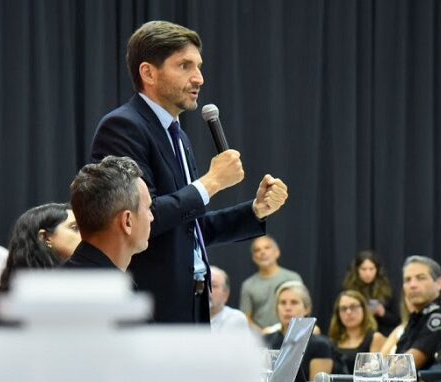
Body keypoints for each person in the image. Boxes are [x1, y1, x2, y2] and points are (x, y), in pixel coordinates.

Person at [90, 20, 288, 323]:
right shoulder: (123, 127)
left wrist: (255, 211)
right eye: (185, 66)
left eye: (199, 67)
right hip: (150, 305)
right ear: (148, 73)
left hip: (193, 300)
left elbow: (188, 227)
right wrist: (211, 182)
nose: (199, 78)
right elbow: (140, 220)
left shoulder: (178, 135)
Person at [0, 203, 80, 325]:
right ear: (45, 237)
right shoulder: (17, 298)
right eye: (75, 228)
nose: (85, 234)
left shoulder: (78, 282)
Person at [64, 156, 153, 271]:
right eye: (148, 208)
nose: (151, 217)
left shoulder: (60, 277)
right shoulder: (106, 281)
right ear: (127, 221)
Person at [264, 281, 333, 382]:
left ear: (307, 309)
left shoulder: (320, 345)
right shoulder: (265, 340)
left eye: (294, 302)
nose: (287, 308)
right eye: (282, 303)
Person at [395, 255, 441, 370]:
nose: (412, 285)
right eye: (407, 280)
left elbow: (409, 363)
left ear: (439, 283)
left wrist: (377, 372)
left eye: (420, 278)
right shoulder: (417, 317)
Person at [240, 236, 302, 333]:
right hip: (261, 337)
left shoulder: (293, 278)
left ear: (277, 252)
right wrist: (263, 335)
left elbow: (302, 309)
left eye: (267, 248)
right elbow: (245, 318)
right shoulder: (248, 285)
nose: (262, 252)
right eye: (257, 250)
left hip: (290, 334)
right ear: (253, 257)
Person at [342, 250, 399, 336]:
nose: (368, 273)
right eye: (363, 269)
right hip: (356, 334)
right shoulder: (348, 291)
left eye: (371, 269)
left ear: (377, 269)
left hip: (383, 334)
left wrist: (383, 313)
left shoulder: (387, 290)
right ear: (357, 270)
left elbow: (397, 320)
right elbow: (341, 317)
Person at [328, 290, 386, 374]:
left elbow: (376, 373)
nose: (348, 312)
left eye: (353, 307)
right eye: (343, 309)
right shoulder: (333, 340)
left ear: (364, 310)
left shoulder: (375, 338)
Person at [209, 266, 248, 334]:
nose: (206, 290)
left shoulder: (236, 319)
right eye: (202, 284)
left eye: (213, 286)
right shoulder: (190, 318)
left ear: (225, 293)